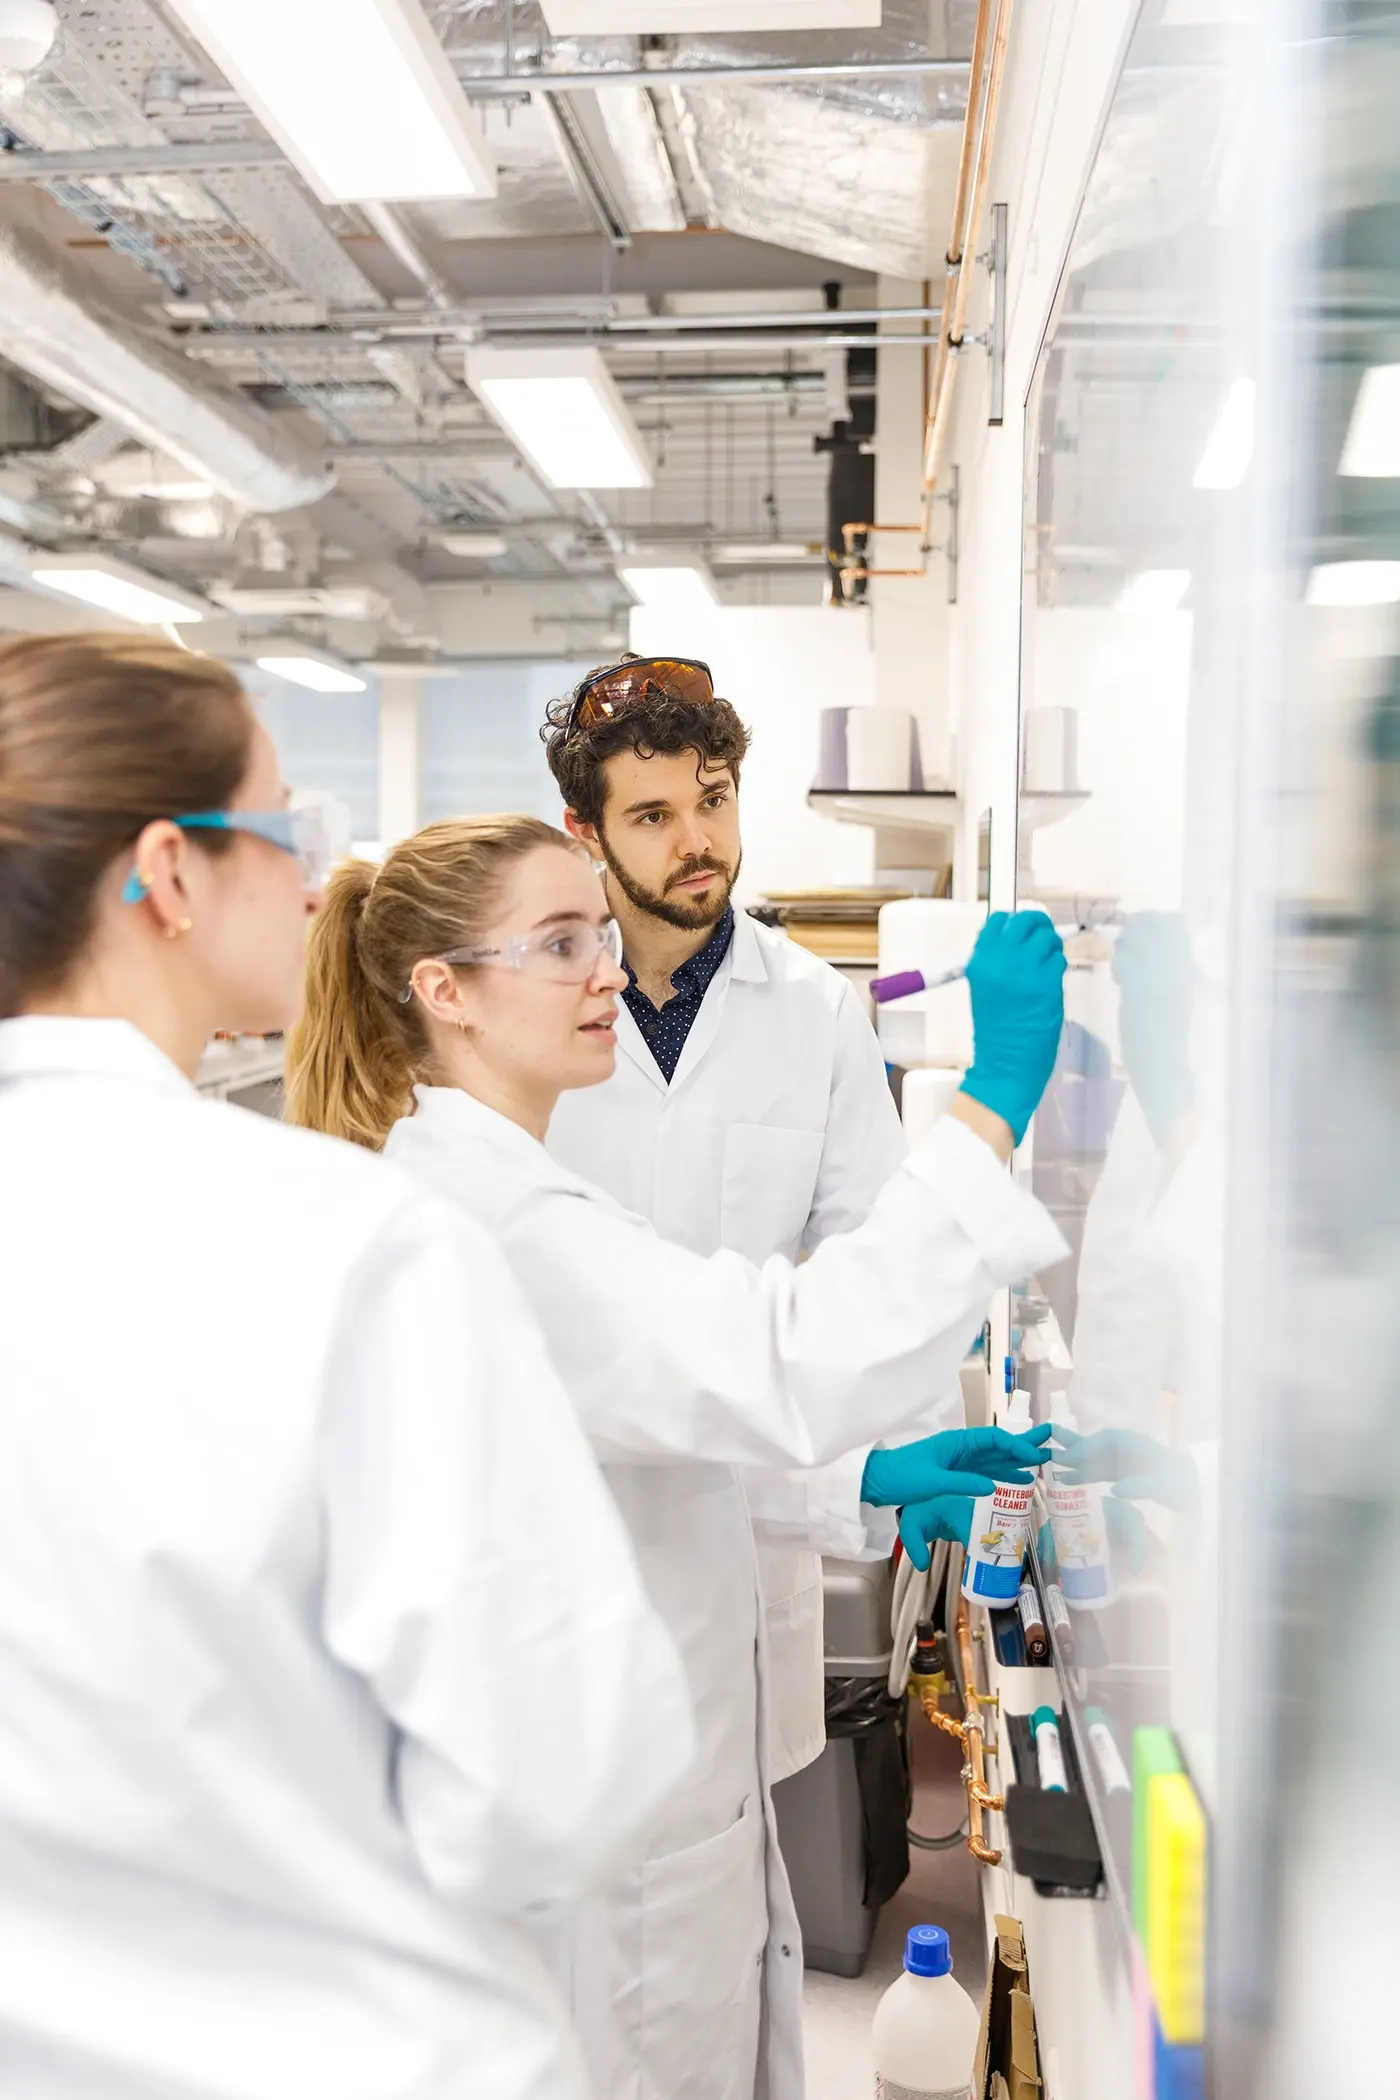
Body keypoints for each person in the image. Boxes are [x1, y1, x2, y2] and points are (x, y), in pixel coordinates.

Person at [0, 633, 695, 2100]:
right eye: (282, 828)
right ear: (168, 875)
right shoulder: (347, 1246)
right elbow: (559, 1779)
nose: (315, 879)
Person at [287, 813, 1070, 2100]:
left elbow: (621, 1432)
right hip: (603, 1848)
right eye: (554, 944)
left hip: (618, 1795)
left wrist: (858, 1477)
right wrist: (987, 1108)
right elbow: (773, 1354)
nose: (606, 970)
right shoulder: (495, 1219)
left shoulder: (486, 1180)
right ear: (444, 992)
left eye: (594, 931)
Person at [541, 653, 913, 1797]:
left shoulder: (813, 1012)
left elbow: (864, 1277)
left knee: (732, 1886)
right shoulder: (524, 1007)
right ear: (584, 831)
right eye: (650, 815)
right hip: (564, 1530)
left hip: (752, 1535)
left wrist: (869, 1470)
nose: (695, 840)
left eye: (712, 800)